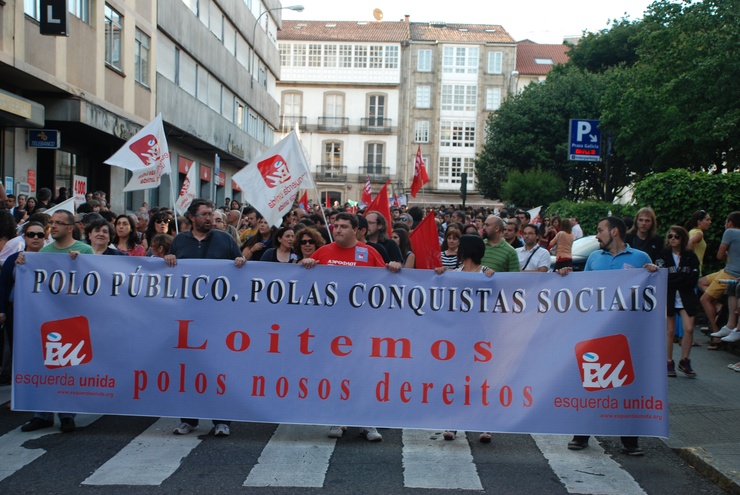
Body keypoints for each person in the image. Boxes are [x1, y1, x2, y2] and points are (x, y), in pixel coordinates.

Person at [561, 216, 656, 456]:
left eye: (600, 230)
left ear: (614, 231)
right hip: (596, 332)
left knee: (627, 385)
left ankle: (630, 441)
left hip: (627, 333)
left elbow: (650, 291)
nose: (596, 235)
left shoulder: (640, 258)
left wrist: (653, 274)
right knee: (591, 383)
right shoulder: (594, 258)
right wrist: (566, 275)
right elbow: (583, 288)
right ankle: (582, 435)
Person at [300, 212, 400, 442]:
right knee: (336, 372)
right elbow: (299, 280)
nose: (338, 230)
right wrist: (305, 264)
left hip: (363, 326)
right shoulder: (323, 252)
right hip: (332, 326)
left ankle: (366, 421)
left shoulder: (369, 252)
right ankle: (338, 418)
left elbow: (386, 281)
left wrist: (393, 268)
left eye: (344, 226)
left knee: (364, 373)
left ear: (356, 230)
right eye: (336, 226)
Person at [165, 199, 246, 437]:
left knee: (219, 369)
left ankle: (223, 421)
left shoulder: (225, 239)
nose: (209, 218)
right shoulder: (180, 240)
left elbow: (240, 267)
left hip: (219, 317)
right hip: (188, 317)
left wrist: (241, 262)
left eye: (211, 214)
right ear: (192, 217)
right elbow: (170, 272)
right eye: (204, 214)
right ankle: (188, 419)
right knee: (189, 369)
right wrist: (168, 260)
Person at [20, 211, 93, 433]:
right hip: (47, 316)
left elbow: (94, 281)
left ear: (71, 228)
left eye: (59, 223)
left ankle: (67, 414)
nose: (54, 227)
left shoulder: (84, 250)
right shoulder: (44, 252)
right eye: (52, 223)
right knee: (46, 366)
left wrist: (79, 264)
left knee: (68, 367)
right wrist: (23, 261)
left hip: (72, 315)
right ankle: (42, 414)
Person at [438, 234, 494, 443]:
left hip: (479, 333)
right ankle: (453, 422)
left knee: (479, 379)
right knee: (457, 378)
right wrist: (441, 274)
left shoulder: (487, 274)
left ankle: (484, 423)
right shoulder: (455, 273)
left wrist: (493, 278)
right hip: (456, 334)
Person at [0, 222, 48, 386]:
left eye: (40, 235)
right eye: (31, 234)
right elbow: (3, 285)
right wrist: (1, 310)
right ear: (25, 237)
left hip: (42, 313)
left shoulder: (52, 258)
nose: (35, 238)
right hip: (16, 311)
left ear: (45, 238)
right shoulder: (14, 259)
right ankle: (18, 390)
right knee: (16, 349)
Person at [655, 226, 700, 377]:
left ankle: (685, 359)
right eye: (670, 236)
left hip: (686, 296)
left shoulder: (690, 256)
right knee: (669, 331)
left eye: (676, 236)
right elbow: (662, 277)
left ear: (683, 239)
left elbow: (693, 279)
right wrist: (680, 278)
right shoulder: (663, 255)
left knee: (688, 329)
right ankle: (668, 361)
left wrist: (675, 279)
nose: (673, 239)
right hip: (669, 296)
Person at [703, 212, 740, 344]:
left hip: (730, 272)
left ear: (730, 223)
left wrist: (728, 253)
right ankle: (719, 307)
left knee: (705, 299)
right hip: (728, 271)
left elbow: (719, 255)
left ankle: (716, 331)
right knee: (702, 282)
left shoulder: (729, 232)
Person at [685, 209, 712, 275]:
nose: (710, 222)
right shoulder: (699, 233)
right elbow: (689, 243)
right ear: (699, 221)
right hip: (695, 270)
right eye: (707, 220)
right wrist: (692, 260)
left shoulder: (691, 231)